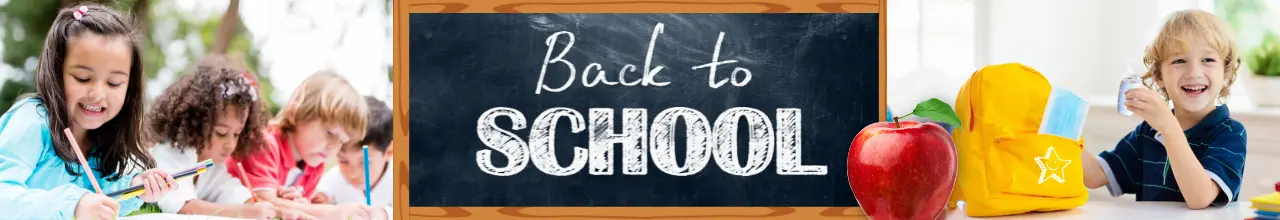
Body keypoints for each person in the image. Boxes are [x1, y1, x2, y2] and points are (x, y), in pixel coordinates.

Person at [0, 4, 176, 219]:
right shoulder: (32, 121)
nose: (97, 94)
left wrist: (135, 187)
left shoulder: (102, 136)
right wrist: (73, 205)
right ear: (56, 72)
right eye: (83, 78)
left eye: (114, 83)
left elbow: (101, 197)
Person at [1081, 9, 1248, 210]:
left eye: (1208, 60)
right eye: (1179, 61)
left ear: (1226, 73)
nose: (1194, 72)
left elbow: (1200, 198)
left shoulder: (1229, 133)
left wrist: (1169, 128)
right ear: (1159, 76)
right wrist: (1061, 130)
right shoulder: (1148, 133)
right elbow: (1093, 176)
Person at [146, 55, 310, 219]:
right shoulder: (171, 154)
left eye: (237, 134)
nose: (230, 144)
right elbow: (182, 207)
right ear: (194, 123)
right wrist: (244, 213)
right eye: (221, 133)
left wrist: (272, 210)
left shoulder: (213, 166)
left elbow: (231, 192)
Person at [225, 71, 386, 219]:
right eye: (330, 133)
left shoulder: (314, 165)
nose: (333, 147)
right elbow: (266, 204)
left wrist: (304, 205)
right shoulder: (263, 143)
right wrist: (336, 212)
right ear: (294, 114)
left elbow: (293, 212)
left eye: (342, 141)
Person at [313, 96, 393, 217]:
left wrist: (384, 214)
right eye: (343, 161)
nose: (353, 174)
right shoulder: (334, 179)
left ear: (389, 152)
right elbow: (318, 204)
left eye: (364, 162)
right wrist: (319, 203)